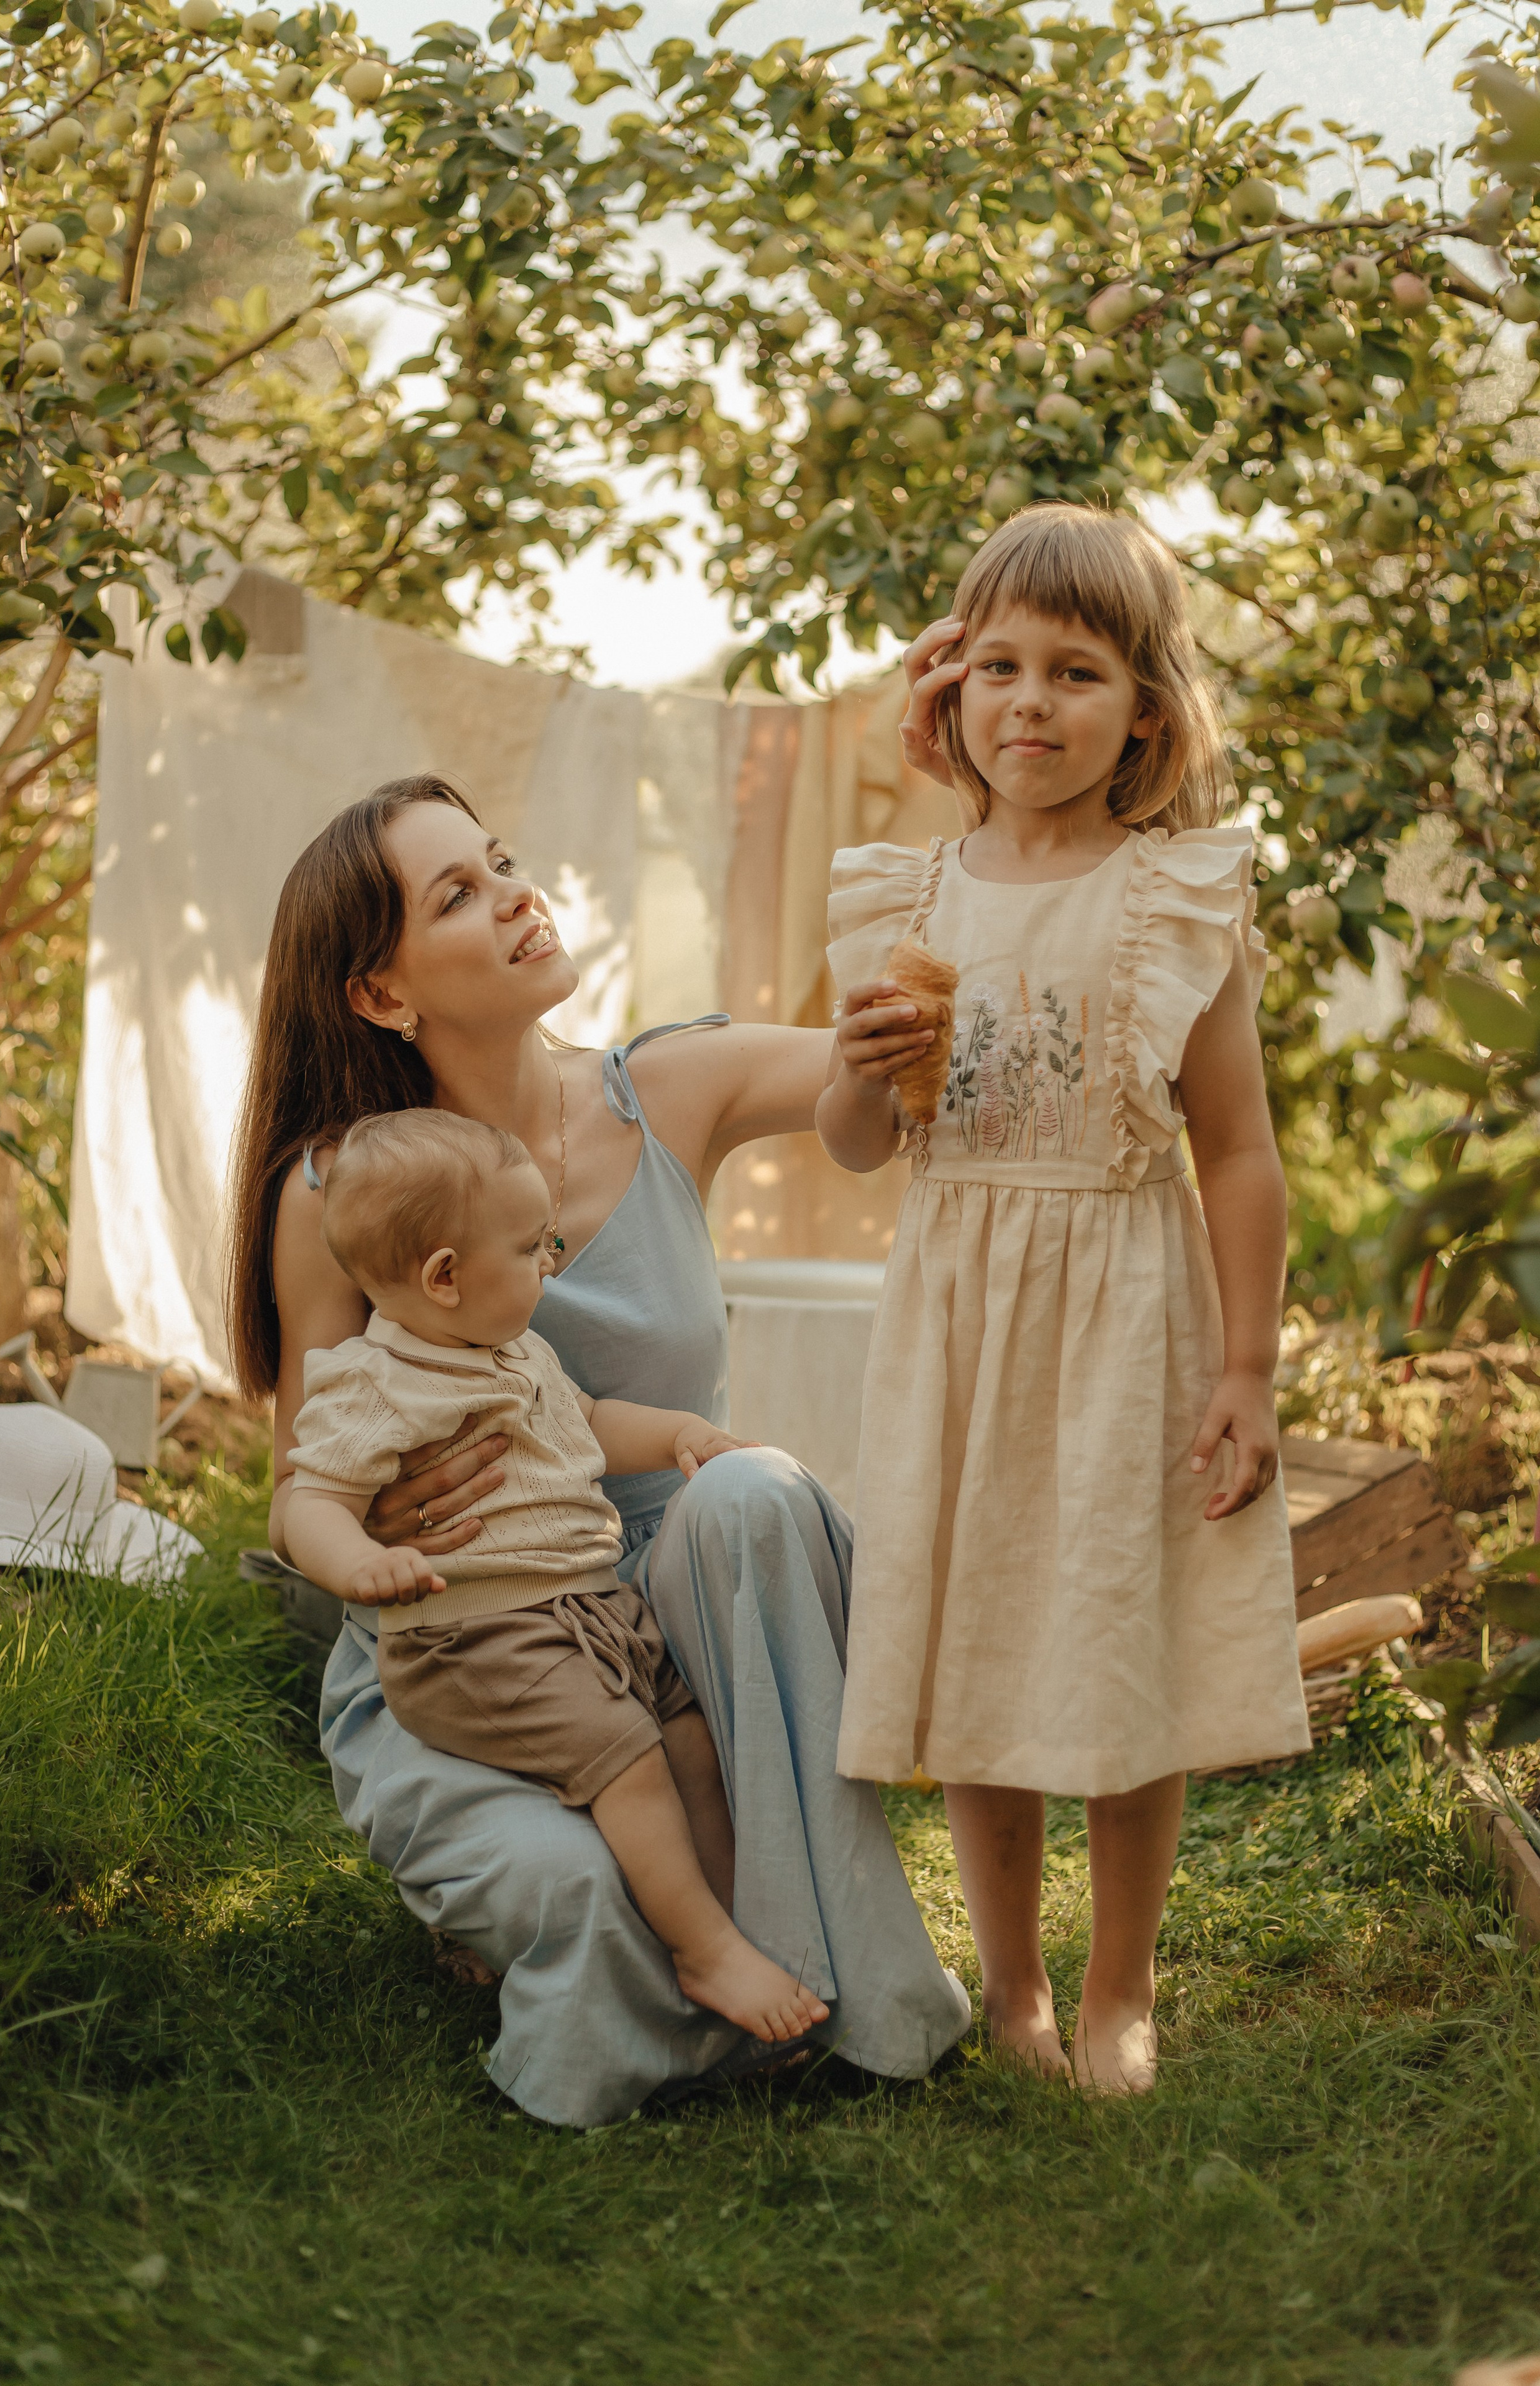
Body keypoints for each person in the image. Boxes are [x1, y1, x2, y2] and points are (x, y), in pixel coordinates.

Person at [224, 774, 970, 2129]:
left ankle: (843, 1996)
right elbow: (304, 1484)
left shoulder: (668, 1085)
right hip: (474, 1645)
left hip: (684, 1615)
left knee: (749, 1487)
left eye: (499, 860)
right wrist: (383, 1548)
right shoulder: (338, 1196)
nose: (516, 893)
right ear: (383, 996)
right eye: (456, 894)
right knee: (583, 1895)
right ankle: (648, 1928)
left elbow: (894, 1078)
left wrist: (975, 784)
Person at [816, 504, 1310, 2097]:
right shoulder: (906, 898)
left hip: (1121, 1312)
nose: (1030, 703)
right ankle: (1011, 1979)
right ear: (951, 690)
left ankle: (1119, 1986)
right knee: (981, 1644)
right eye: (1000, 668)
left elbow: (1233, 1155)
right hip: (960, 1311)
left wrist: (1245, 1365)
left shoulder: (1174, 897)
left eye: (1076, 672)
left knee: (1110, 1640)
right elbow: (855, 1146)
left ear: (1145, 711)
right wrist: (861, 1071)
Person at [285, 1107, 829, 2046]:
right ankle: (704, 1952)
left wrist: (677, 1434)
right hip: (477, 1640)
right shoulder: (376, 1383)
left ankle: (736, 1925)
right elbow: (308, 1501)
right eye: (534, 1247)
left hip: (592, 1616)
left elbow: (591, 1421)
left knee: (689, 1742)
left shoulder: (519, 1353)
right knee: (632, 1768)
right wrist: (362, 1561)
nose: (551, 1264)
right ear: (444, 1277)